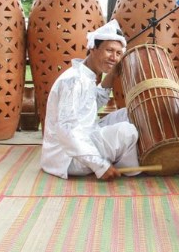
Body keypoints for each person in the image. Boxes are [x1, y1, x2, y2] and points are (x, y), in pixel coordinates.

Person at [41, 19, 140, 181]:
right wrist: (100, 165)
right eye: (109, 50)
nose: (114, 57)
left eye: (118, 53)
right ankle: (122, 168)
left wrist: (113, 73)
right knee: (127, 132)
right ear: (93, 48)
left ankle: (121, 160)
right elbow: (66, 130)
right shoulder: (73, 81)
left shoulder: (85, 75)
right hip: (68, 158)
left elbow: (93, 102)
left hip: (84, 137)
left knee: (129, 113)